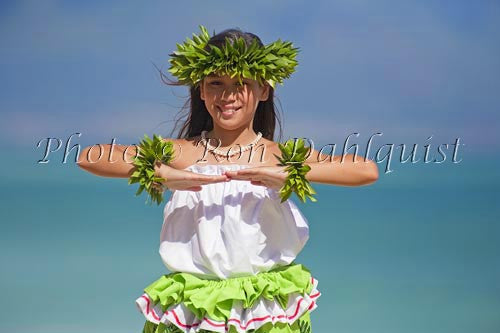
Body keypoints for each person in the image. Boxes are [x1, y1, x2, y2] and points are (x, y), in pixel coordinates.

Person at [78, 26, 378, 333]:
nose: (227, 95)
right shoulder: (182, 153)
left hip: (263, 307)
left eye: (241, 83)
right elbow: (90, 156)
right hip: (193, 306)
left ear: (264, 90)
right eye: (215, 83)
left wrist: (288, 173)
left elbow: (365, 169)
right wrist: (162, 174)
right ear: (202, 91)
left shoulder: (278, 156)